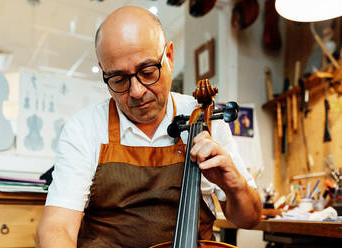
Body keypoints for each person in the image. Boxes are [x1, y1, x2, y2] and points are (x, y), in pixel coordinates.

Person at [36, 6, 261, 248]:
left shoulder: (204, 120)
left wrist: (233, 184)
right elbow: (56, 227)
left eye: (147, 71)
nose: (137, 91)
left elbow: (249, 219)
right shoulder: (84, 128)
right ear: (103, 72)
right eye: (119, 79)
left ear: (170, 57)